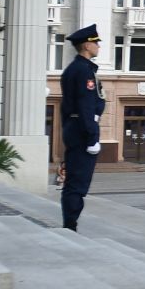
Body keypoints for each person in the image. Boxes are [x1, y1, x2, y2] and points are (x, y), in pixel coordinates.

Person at [57, 24, 106, 231]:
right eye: (96, 43)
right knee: (77, 184)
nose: (98, 47)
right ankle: (70, 226)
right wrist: (92, 136)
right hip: (82, 130)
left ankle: (70, 223)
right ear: (87, 45)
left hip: (75, 127)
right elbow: (86, 106)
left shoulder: (75, 69)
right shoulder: (83, 71)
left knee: (75, 183)